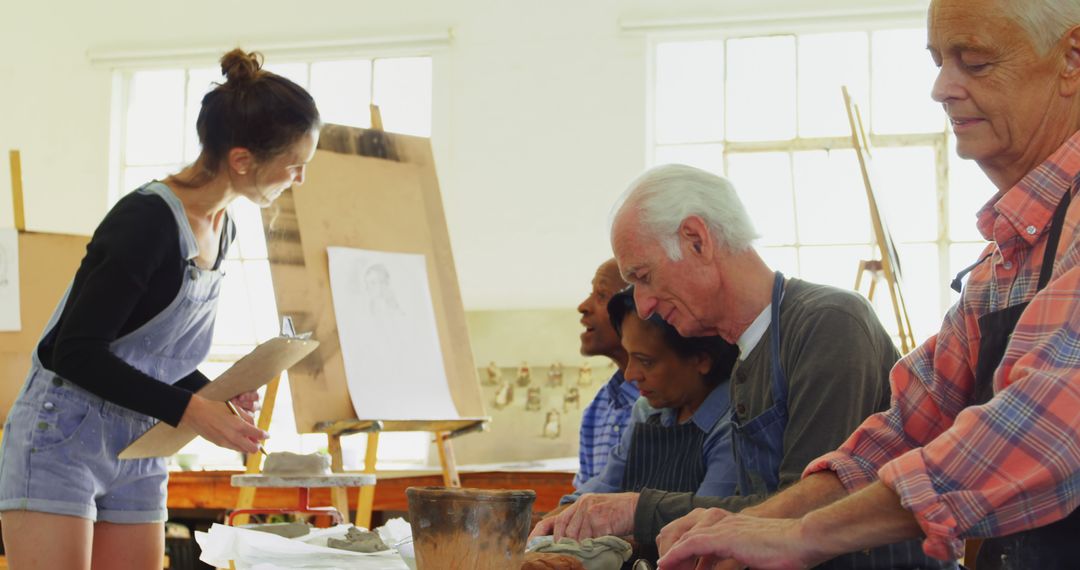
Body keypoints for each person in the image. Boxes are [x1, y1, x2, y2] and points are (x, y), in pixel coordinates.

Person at [655, 1, 1080, 568]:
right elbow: (908, 428)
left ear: (1072, 58)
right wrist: (751, 524)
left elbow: (1044, 430)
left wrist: (801, 538)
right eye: (938, 61)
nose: (941, 87)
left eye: (974, 62)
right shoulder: (1007, 256)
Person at [0, 49, 320, 569]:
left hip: (141, 442)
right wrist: (192, 409)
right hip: (61, 438)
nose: (298, 180)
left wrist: (211, 393)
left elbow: (147, 355)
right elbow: (73, 351)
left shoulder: (223, 226)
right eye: (295, 166)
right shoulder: (145, 220)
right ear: (242, 160)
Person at [538, 164, 949, 568]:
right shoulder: (747, 356)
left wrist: (638, 509)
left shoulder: (829, 323)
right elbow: (765, 515)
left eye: (643, 277)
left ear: (697, 239)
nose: (643, 305)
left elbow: (809, 510)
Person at [557, 287, 738, 508]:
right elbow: (603, 487)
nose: (630, 375)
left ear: (701, 359)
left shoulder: (733, 428)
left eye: (646, 361)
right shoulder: (647, 411)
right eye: (629, 356)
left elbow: (703, 523)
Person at [573, 259, 640, 490]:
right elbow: (580, 503)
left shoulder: (671, 401)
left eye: (601, 295)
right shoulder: (597, 410)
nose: (583, 306)